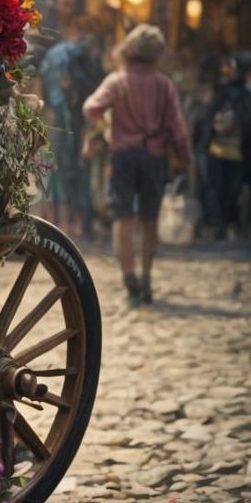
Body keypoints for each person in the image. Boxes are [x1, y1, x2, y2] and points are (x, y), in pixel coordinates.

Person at [83, 24, 191, 307]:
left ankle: (128, 276)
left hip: (122, 157)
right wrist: (184, 158)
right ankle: (146, 278)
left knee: (123, 219)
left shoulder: (117, 81)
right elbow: (178, 129)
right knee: (149, 219)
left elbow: (90, 107)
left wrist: (105, 125)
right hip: (154, 158)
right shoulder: (164, 84)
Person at [37, 14, 101, 239]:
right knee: (65, 169)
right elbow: (71, 85)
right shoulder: (74, 53)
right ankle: (66, 223)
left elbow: (44, 83)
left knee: (54, 170)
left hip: (56, 116)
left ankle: (59, 222)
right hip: (67, 117)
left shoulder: (57, 54)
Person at [196, 54, 249, 240]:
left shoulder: (245, 95)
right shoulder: (221, 93)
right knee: (216, 188)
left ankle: (230, 225)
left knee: (233, 192)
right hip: (216, 150)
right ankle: (219, 226)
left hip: (239, 151)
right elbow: (207, 119)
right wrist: (216, 126)